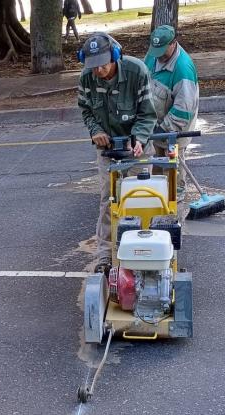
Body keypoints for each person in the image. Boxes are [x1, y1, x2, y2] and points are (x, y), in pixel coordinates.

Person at [77, 33, 157, 270]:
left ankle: (143, 252)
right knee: (109, 201)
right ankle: (105, 256)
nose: (98, 71)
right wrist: (95, 130)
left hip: (137, 149)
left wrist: (140, 138)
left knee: (141, 198)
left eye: (103, 64)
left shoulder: (137, 71)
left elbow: (147, 113)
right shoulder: (87, 78)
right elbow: (86, 110)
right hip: (108, 151)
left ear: (114, 55)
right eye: (93, 66)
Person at [144, 25, 199, 202]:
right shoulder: (154, 54)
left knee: (172, 161)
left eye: (162, 51)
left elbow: (183, 111)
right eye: (156, 51)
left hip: (175, 125)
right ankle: (158, 194)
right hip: (156, 119)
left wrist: (163, 131)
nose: (158, 55)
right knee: (158, 163)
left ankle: (176, 194)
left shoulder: (183, 69)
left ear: (173, 43)